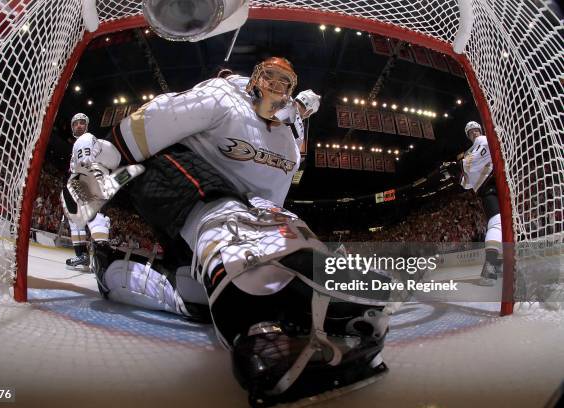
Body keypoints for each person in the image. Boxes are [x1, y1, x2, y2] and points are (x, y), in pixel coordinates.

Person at [62, 57, 390, 405]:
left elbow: (268, 206)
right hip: (174, 194)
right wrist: (98, 165)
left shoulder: (289, 147)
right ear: (254, 78)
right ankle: (249, 290)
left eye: (286, 82)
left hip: (210, 237)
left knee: (199, 293)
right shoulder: (222, 96)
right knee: (224, 214)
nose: (277, 86)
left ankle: (114, 272)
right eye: (271, 76)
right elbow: (151, 125)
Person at [454, 121, 502, 286]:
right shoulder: (471, 151)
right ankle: (493, 267)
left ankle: (493, 267)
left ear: (480, 130)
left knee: (499, 225)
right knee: (498, 224)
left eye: (476, 130)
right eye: (471, 132)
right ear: (468, 135)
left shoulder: (482, 141)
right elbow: (465, 184)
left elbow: (465, 178)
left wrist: (460, 166)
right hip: (490, 190)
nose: (474, 133)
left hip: (496, 186)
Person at [64, 113, 111, 270]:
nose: (79, 125)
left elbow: (85, 163)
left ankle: (102, 261)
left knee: (94, 219)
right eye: (75, 123)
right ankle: (84, 257)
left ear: (87, 126)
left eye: (82, 122)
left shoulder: (85, 139)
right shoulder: (83, 141)